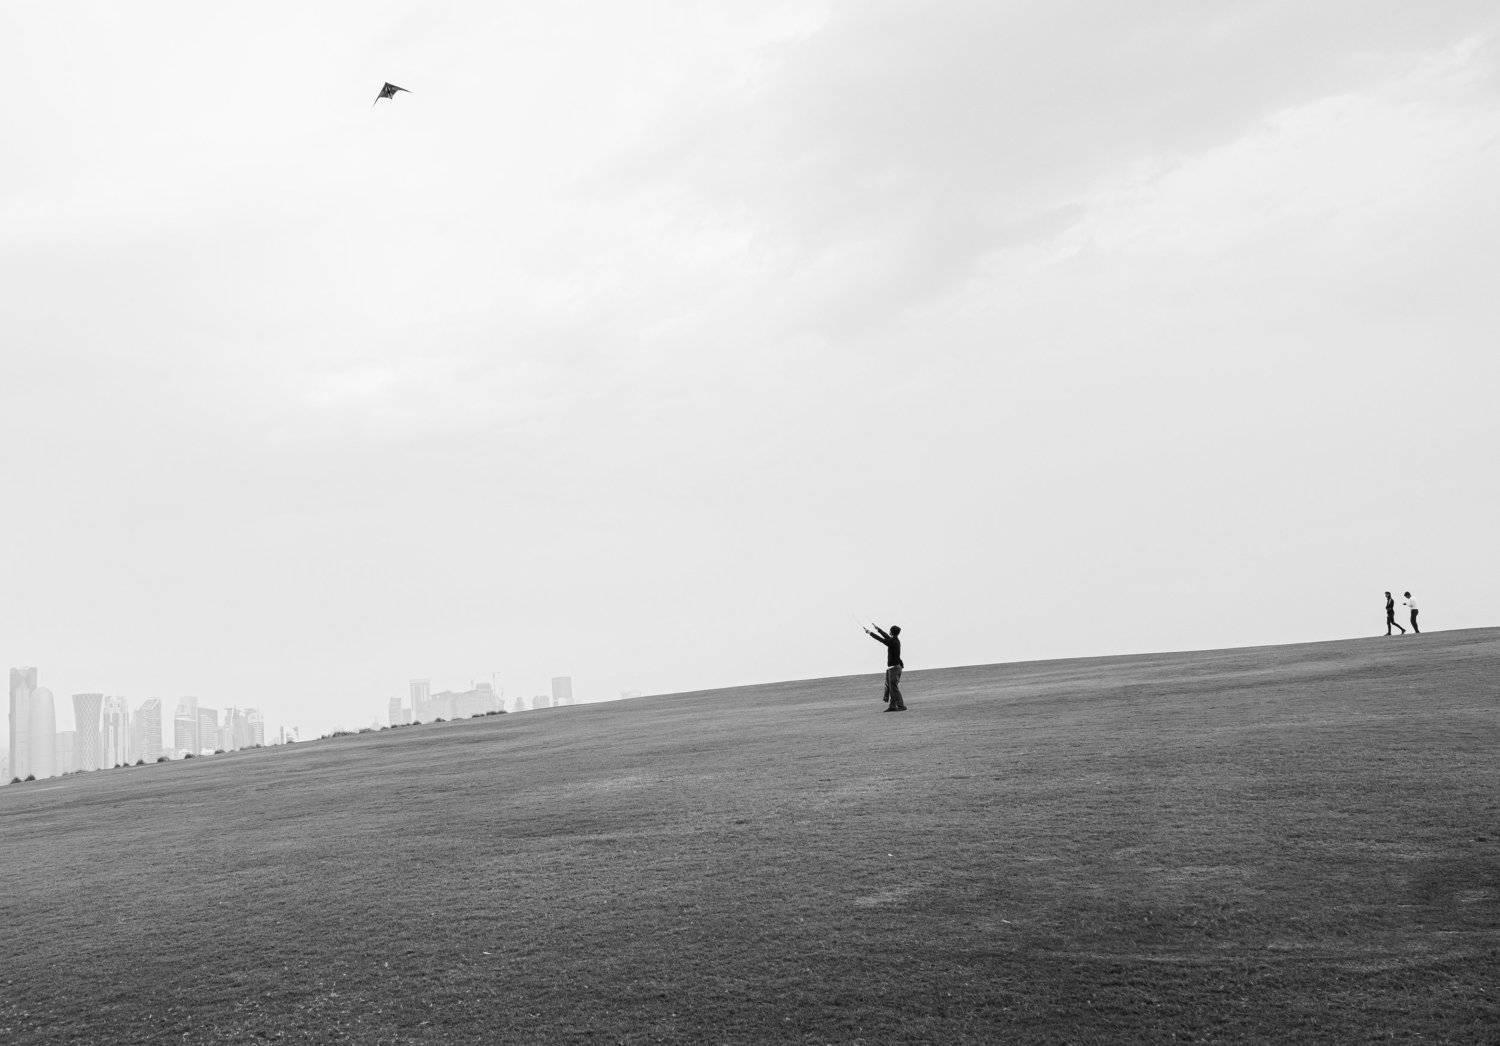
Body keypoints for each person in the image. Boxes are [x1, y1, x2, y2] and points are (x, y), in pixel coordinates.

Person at [864, 624, 906, 711]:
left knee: (893, 688)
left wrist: (870, 633)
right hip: (895, 667)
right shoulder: (895, 640)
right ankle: (892, 706)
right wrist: (878, 629)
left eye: (890, 630)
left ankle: (901, 706)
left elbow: (881, 639)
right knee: (892, 688)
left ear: (891, 632)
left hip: (895, 668)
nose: (889, 632)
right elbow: (886, 636)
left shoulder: (893, 642)